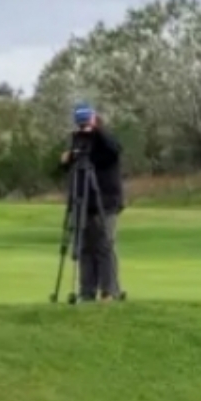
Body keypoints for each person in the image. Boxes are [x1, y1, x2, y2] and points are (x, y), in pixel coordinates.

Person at [60, 102, 125, 301]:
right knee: (85, 247)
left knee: (104, 246)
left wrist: (96, 129)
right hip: (84, 203)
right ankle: (86, 291)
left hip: (105, 202)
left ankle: (108, 291)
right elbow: (67, 167)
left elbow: (115, 150)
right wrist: (68, 158)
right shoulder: (79, 142)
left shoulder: (106, 142)